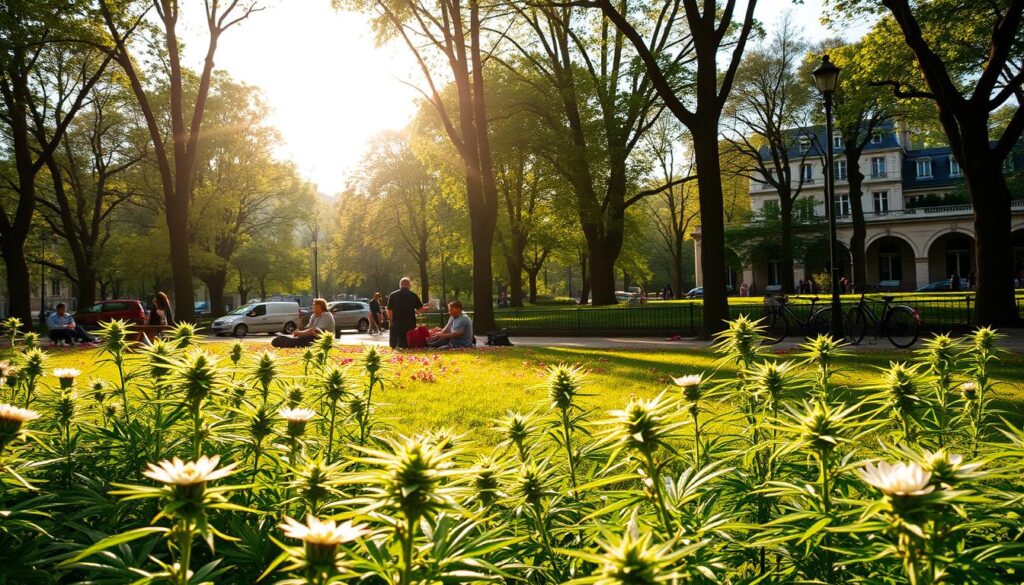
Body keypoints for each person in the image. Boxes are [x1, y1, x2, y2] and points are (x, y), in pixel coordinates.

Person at [387, 277, 429, 349]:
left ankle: (395, 346)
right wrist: (428, 307)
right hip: (409, 321)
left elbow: (389, 310)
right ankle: (406, 347)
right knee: (407, 341)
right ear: (409, 285)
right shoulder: (413, 295)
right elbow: (420, 309)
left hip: (397, 321)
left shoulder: (393, 295)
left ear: (400, 285)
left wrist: (391, 321)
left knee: (395, 341)